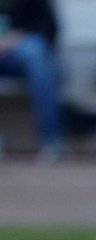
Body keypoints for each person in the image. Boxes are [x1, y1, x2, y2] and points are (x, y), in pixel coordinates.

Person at [0, 0, 65, 161]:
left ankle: (52, 143)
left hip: (20, 51)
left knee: (36, 53)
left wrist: (14, 38)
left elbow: (49, 29)